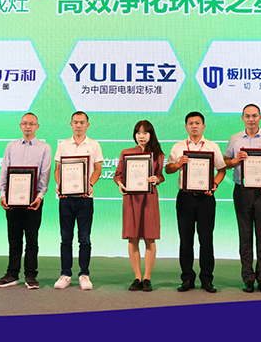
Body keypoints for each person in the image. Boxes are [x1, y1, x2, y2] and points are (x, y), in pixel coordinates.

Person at [223, 104, 261, 293]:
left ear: (260, 117)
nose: (251, 119)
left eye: (254, 116)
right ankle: (248, 278)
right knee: (245, 235)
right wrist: (235, 160)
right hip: (242, 191)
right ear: (242, 118)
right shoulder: (234, 139)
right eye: (247, 116)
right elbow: (225, 162)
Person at [165, 111, 226, 293]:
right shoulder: (178, 147)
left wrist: (214, 184)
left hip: (206, 198)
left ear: (203, 126)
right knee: (185, 239)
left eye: (197, 123)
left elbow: (222, 170)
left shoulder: (212, 147)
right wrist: (178, 164)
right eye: (190, 123)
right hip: (185, 198)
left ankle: (207, 279)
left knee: (206, 239)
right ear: (186, 127)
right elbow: (168, 169)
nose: (194, 126)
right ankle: (187, 278)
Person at [0, 112, 52, 289]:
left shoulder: (44, 148)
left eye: (31, 124)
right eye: (25, 123)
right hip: (12, 200)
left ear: (37, 127)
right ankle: (11, 275)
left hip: (33, 201)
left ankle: (31, 276)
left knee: (32, 240)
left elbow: (45, 174)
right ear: (20, 126)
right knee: (14, 239)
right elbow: (4, 170)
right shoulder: (11, 146)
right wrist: (3, 194)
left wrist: (40, 197)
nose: (28, 127)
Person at [53, 111, 103, 290]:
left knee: (85, 238)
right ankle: (65, 274)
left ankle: (84, 274)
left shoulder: (94, 145)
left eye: (82, 122)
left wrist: (90, 184)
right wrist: (59, 185)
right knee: (66, 238)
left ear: (87, 125)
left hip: (85, 198)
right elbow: (57, 169)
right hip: (66, 198)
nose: (79, 125)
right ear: (71, 124)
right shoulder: (63, 145)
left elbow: (98, 169)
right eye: (75, 122)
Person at [114, 120, 165, 292]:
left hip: (149, 199)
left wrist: (157, 179)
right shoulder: (126, 153)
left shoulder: (158, 154)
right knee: (133, 238)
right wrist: (120, 184)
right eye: (138, 132)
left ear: (151, 134)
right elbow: (118, 175)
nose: (141, 136)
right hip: (131, 199)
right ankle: (137, 277)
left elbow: (160, 175)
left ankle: (147, 277)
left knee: (150, 238)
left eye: (145, 132)